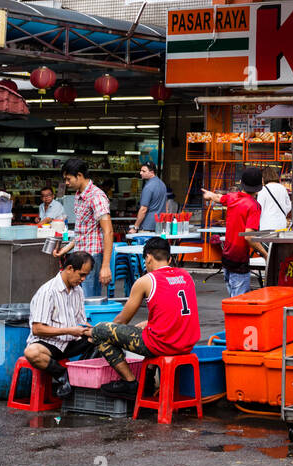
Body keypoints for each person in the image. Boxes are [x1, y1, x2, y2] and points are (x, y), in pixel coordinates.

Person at [93, 237, 201, 398]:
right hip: (187, 343)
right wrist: (146, 323)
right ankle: (148, 381)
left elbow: (122, 320)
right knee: (145, 328)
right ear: (169, 258)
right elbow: (176, 312)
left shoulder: (146, 281)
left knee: (99, 331)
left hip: (162, 344)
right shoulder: (186, 276)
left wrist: (104, 333)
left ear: (148, 257)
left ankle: (130, 383)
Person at [23, 252, 96, 400]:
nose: (83, 279)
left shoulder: (78, 291)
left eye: (86, 276)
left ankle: (83, 381)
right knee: (32, 353)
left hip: (71, 342)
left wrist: (93, 330)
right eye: (81, 275)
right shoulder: (47, 291)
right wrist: (69, 330)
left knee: (102, 339)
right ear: (69, 268)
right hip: (49, 344)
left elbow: (81, 320)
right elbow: (37, 329)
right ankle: (64, 376)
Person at [54, 158, 113, 299]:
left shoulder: (97, 197)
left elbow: (108, 231)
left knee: (89, 300)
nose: (67, 183)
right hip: (80, 255)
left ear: (79, 175)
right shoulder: (79, 195)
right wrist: (66, 249)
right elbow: (83, 231)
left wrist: (105, 266)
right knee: (78, 300)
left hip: (92, 256)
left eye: (68, 179)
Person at [203, 166, 265, 297]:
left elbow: (219, 197)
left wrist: (209, 195)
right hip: (239, 260)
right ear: (260, 185)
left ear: (242, 183)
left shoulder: (233, 197)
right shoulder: (254, 206)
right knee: (238, 304)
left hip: (226, 258)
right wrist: (266, 254)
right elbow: (249, 236)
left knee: (232, 299)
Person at [133, 162, 169, 233]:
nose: (140, 173)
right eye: (141, 170)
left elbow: (143, 209)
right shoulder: (162, 184)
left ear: (151, 172)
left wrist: (135, 227)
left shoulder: (148, 187)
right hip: (160, 225)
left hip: (147, 226)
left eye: (143, 171)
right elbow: (166, 205)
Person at [258, 166, 292, 231]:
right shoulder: (282, 188)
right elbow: (289, 206)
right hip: (281, 224)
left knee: (267, 241)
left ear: (264, 177)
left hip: (267, 224)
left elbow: (260, 208)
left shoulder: (263, 190)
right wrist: (281, 213)